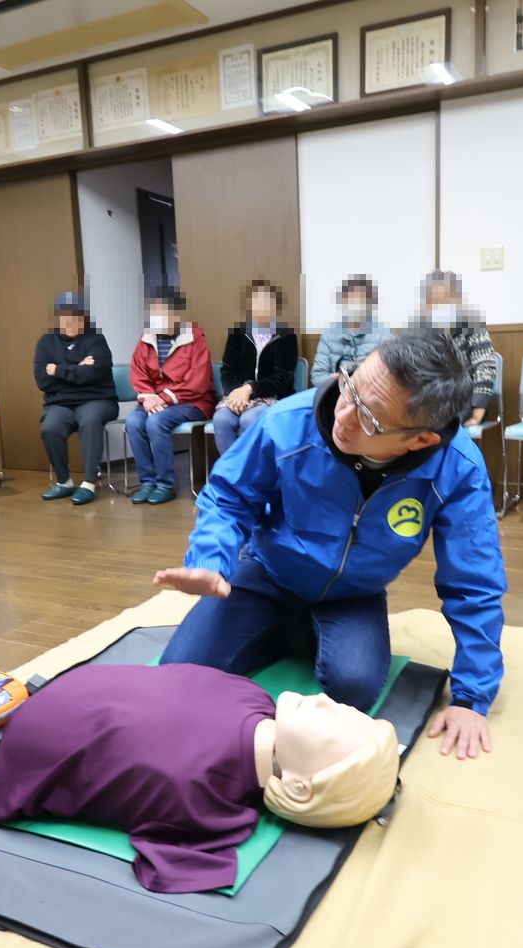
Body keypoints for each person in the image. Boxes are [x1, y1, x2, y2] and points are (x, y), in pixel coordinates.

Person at [153, 327, 505, 762]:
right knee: (175, 676)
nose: (343, 416)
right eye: (349, 387)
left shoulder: (457, 469)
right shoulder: (286, 422)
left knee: (354, 686)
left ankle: (291, 632)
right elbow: (228, 495)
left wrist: (470, 699)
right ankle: (285, 627)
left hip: (352, 594)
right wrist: (210, 559)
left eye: (371, 418)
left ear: (421, 439)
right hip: (266, 573)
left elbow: (474, 581)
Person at [0, 662, 397, 894]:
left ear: (300, 785)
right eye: (346, 709)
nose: (327, 703)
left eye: (336, 728)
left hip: (43, 729)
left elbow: (171, 858)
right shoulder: (248, 694)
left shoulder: (195, 794)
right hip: (64, 703)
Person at [126, 286, 213, 506]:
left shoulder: (195, 338)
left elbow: (198, 382)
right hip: (155, 401)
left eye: (163, 312)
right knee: (134, 422)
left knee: (156, 422)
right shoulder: (146, 339)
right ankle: (147, 482)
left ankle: (165, 484)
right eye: (154, 312)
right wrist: (148, 398)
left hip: (192, 401)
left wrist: (163, 398)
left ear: (176, 314)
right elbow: (138, 372)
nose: (157, 318)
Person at [34, 292, 116, 506]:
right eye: (65, 317)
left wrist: (58, 370)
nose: (70, 322)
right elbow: (43, 381)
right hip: (60, 404)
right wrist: (78, 369)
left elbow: (95, 373)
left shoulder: (96, 340)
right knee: (50, 427)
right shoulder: (46, 343)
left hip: (97, 400)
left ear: (84, 318)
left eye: (76, 317)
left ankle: (89, 482)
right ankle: (64, 481)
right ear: (57, 319)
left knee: (90, 421)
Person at [213, 280, 298, 453]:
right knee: (221, 419)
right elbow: (227, 370)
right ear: (250, 306)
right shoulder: (237, 334)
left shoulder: (287, 336)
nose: (262, 308)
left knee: (249, 419)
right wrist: (235, 393)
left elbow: (284, 377)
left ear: (276, 307)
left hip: (272, 397)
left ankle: (253, 473)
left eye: (267, 303)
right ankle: (232, 474)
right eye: (257, 302)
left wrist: (251, 389)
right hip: (238, 396)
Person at [417, 270, 498, 427]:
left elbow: (485, 364)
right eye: (434, 301)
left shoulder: (472, 326)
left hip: (463, 396)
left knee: (438, 425)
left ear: (459, 301)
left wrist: (479, 405)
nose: (440, 307)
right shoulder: (424, 332)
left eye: (446, 300)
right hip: (431, 398)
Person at [311, 275, 390, 384]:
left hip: (366, 394)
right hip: (335, 391)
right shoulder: (329, 334)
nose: (355, 304)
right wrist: (336, 381)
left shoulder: (383, 336)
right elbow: (317, 376)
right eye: (351, 300)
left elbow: (386, 377)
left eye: (361, 300)